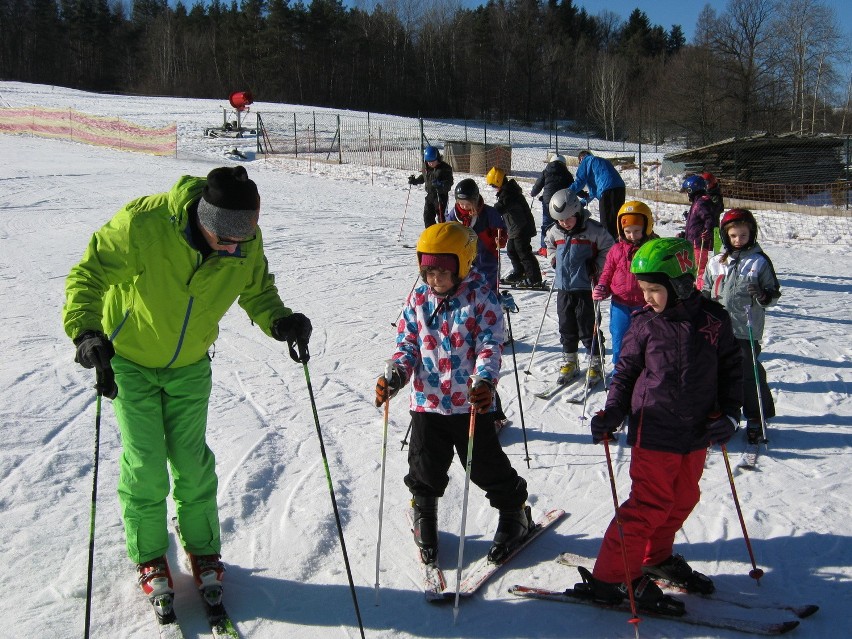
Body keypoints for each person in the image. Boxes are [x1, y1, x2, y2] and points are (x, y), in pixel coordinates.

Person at [63, 166, 313, 616]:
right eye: (226, 241)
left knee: (193, 462)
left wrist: (279, 319)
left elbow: (256, 289)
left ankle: (203, 549)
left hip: (190, 365)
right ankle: (149, 553)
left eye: (242, 240)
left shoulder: (243, 241)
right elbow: (90, 272)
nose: (235, 249)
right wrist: (86, 331)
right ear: (203, 219)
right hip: (131, 360)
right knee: (146, 463)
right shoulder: (146, 224)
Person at [578, 237, 743, 616]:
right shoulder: (645, 323)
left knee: (683, 498)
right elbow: (625, 372)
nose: (646, 297)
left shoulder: (714, 321)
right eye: (643, 290)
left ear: (681, 285)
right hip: (654, 430)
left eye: (654, 290)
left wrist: (731, 414)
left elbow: (732, 370)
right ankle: (612, 576)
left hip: (697, 431)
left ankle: (657, 556)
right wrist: (613, 412)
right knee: (648, 505)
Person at [374, 222, 532, 565]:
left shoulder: (482, 297)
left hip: (469, 404)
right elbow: (407, 344)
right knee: (425, 466)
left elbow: (490, 345)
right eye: (428, 271)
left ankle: (515, 511)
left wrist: (484, 381)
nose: (435, 280)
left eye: (443, 272)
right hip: (427, 402)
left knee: (485, 466)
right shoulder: (418, 299)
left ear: (463, 263)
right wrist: (398, 374)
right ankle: (424, 510)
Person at [703, 209, 780, 444]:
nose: (738, 240)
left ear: (751, 234)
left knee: (748, 374)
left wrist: (763, 295)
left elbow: (773, 293)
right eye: (734, 236)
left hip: (745, 329)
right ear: (726, 237)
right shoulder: (716, 262)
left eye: (743, 235)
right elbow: (706, 290)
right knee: (715, 373)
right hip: (717, 329)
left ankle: (756, 416)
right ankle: (723, 415)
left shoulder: (758, 261)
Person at [545, 189, 613, 385]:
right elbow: (549, 245)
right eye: (560, 220)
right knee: (566, 326)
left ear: (576, 211)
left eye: (568, 218)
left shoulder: (593, 230)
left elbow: (609, 248)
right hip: (563, 288)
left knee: (588, 327)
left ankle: (595, 362)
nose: (564, 223)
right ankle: (570, 361)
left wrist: (596, 266)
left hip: (585, 288)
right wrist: (553, 259)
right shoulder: (554, 231)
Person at [592, 201, 658, 367]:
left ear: (647, 227)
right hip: (620, 303)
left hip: (645, 305)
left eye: (637, 231)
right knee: (619, 338)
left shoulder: (653, 248)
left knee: (645, 341)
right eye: (627, 231)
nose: (632, 235)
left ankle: (644, 372)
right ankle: (619, 372)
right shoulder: (616, 249)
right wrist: (602, 286)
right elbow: (607, 272)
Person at [447, 177, 507, 291]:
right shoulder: (454, 215)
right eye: (461, 203)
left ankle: (491, 304)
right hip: (463, 257)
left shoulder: (489, 213)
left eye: (467, 204)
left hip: (486, 256)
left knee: (487, 286)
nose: (464, 207)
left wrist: (500, 239)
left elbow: (501, 230)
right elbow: (447, 230)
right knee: (465, 287)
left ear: (474, 200)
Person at [486, 166, 541, 288]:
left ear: (499, 182)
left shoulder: (509, 193)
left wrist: (486, 212)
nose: (493, 189)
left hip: (522, 227)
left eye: (494, 186)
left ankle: (534, 278)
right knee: (511, 250)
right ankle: (519, 272)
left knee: (523, 252)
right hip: (515, 228)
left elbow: (501, 207)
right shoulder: (506, 191)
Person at [568, 150, 626, 240]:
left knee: (606, 221)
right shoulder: (601, 161)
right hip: (620, 188)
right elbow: (593, 192)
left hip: (607, 189)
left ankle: (608, 247)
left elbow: (580, 181)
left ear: (581, 159)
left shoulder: (586, 161)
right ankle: (620, 244)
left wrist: (568, 192)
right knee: (617, 219)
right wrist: (583, 202)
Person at [530, 153, 574, 254]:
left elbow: (538, 186)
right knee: (562, 224)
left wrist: (533, 193)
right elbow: (573, 187)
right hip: (562, 202)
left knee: (546, 224)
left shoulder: (545, 172)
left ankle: (544, 248)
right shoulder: (567, 174)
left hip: (547, 202)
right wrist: (584, 195)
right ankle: (562, 245)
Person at [680, 174, 717, 286]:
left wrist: (707, 230)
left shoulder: (701, 202)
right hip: (693, 241)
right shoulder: (697, 203)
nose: (687, 195)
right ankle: (694, 286)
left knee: (699, 268)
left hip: (699, 242)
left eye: (687, 192)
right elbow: (697, 221)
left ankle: (700, 289)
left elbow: (709, 218)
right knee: (692, 267)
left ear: (692, 190)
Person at [408, 145, 454, 228]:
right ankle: (431, 234)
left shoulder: (445, 168)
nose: (430, 163)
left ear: (438, 158)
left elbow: (449, 183)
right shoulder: (426, 167)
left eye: (433, 161)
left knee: (441, 218)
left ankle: (443, 235)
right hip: (430, 196)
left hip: (441, 197)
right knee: (427, 216)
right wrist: (415, 181)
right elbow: (424, 177)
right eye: (428, 161)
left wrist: (441, 185)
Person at [702, 171, 725, 253]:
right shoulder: (705, 193)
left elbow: (718, 208)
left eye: (707, 182)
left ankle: (717, 254)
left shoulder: (715, 195)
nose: (706, 185)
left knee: (715, 241)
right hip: (705, 224)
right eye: (704, 183)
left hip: (713, 223)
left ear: (712, 183)